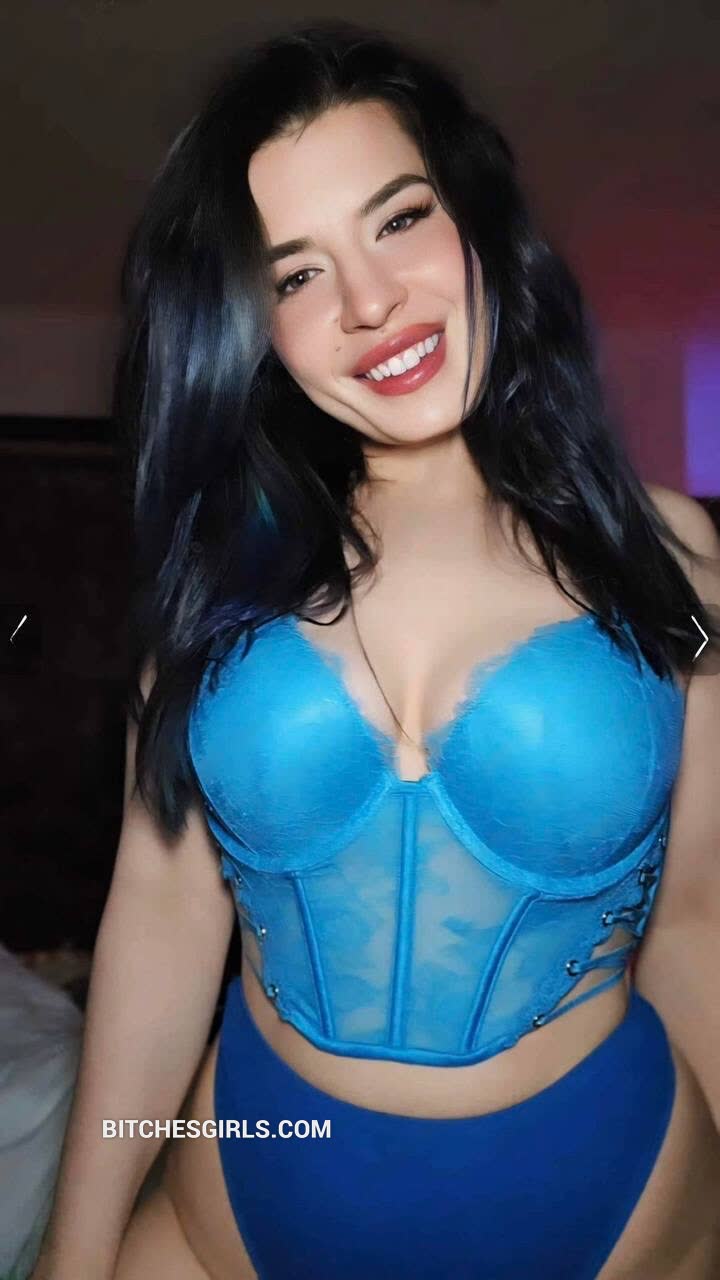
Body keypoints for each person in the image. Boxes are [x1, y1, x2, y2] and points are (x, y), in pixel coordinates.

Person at [30, 19, 720, 1280]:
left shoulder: (671, 556)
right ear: (254, 328)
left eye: (399, 218)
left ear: (476, 217)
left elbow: (697, 920)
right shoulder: (213, 585)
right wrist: (72, 1253)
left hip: (613, 1204)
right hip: (244, 1186)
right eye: (294, 276)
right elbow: (164, 917)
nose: (367, 303)